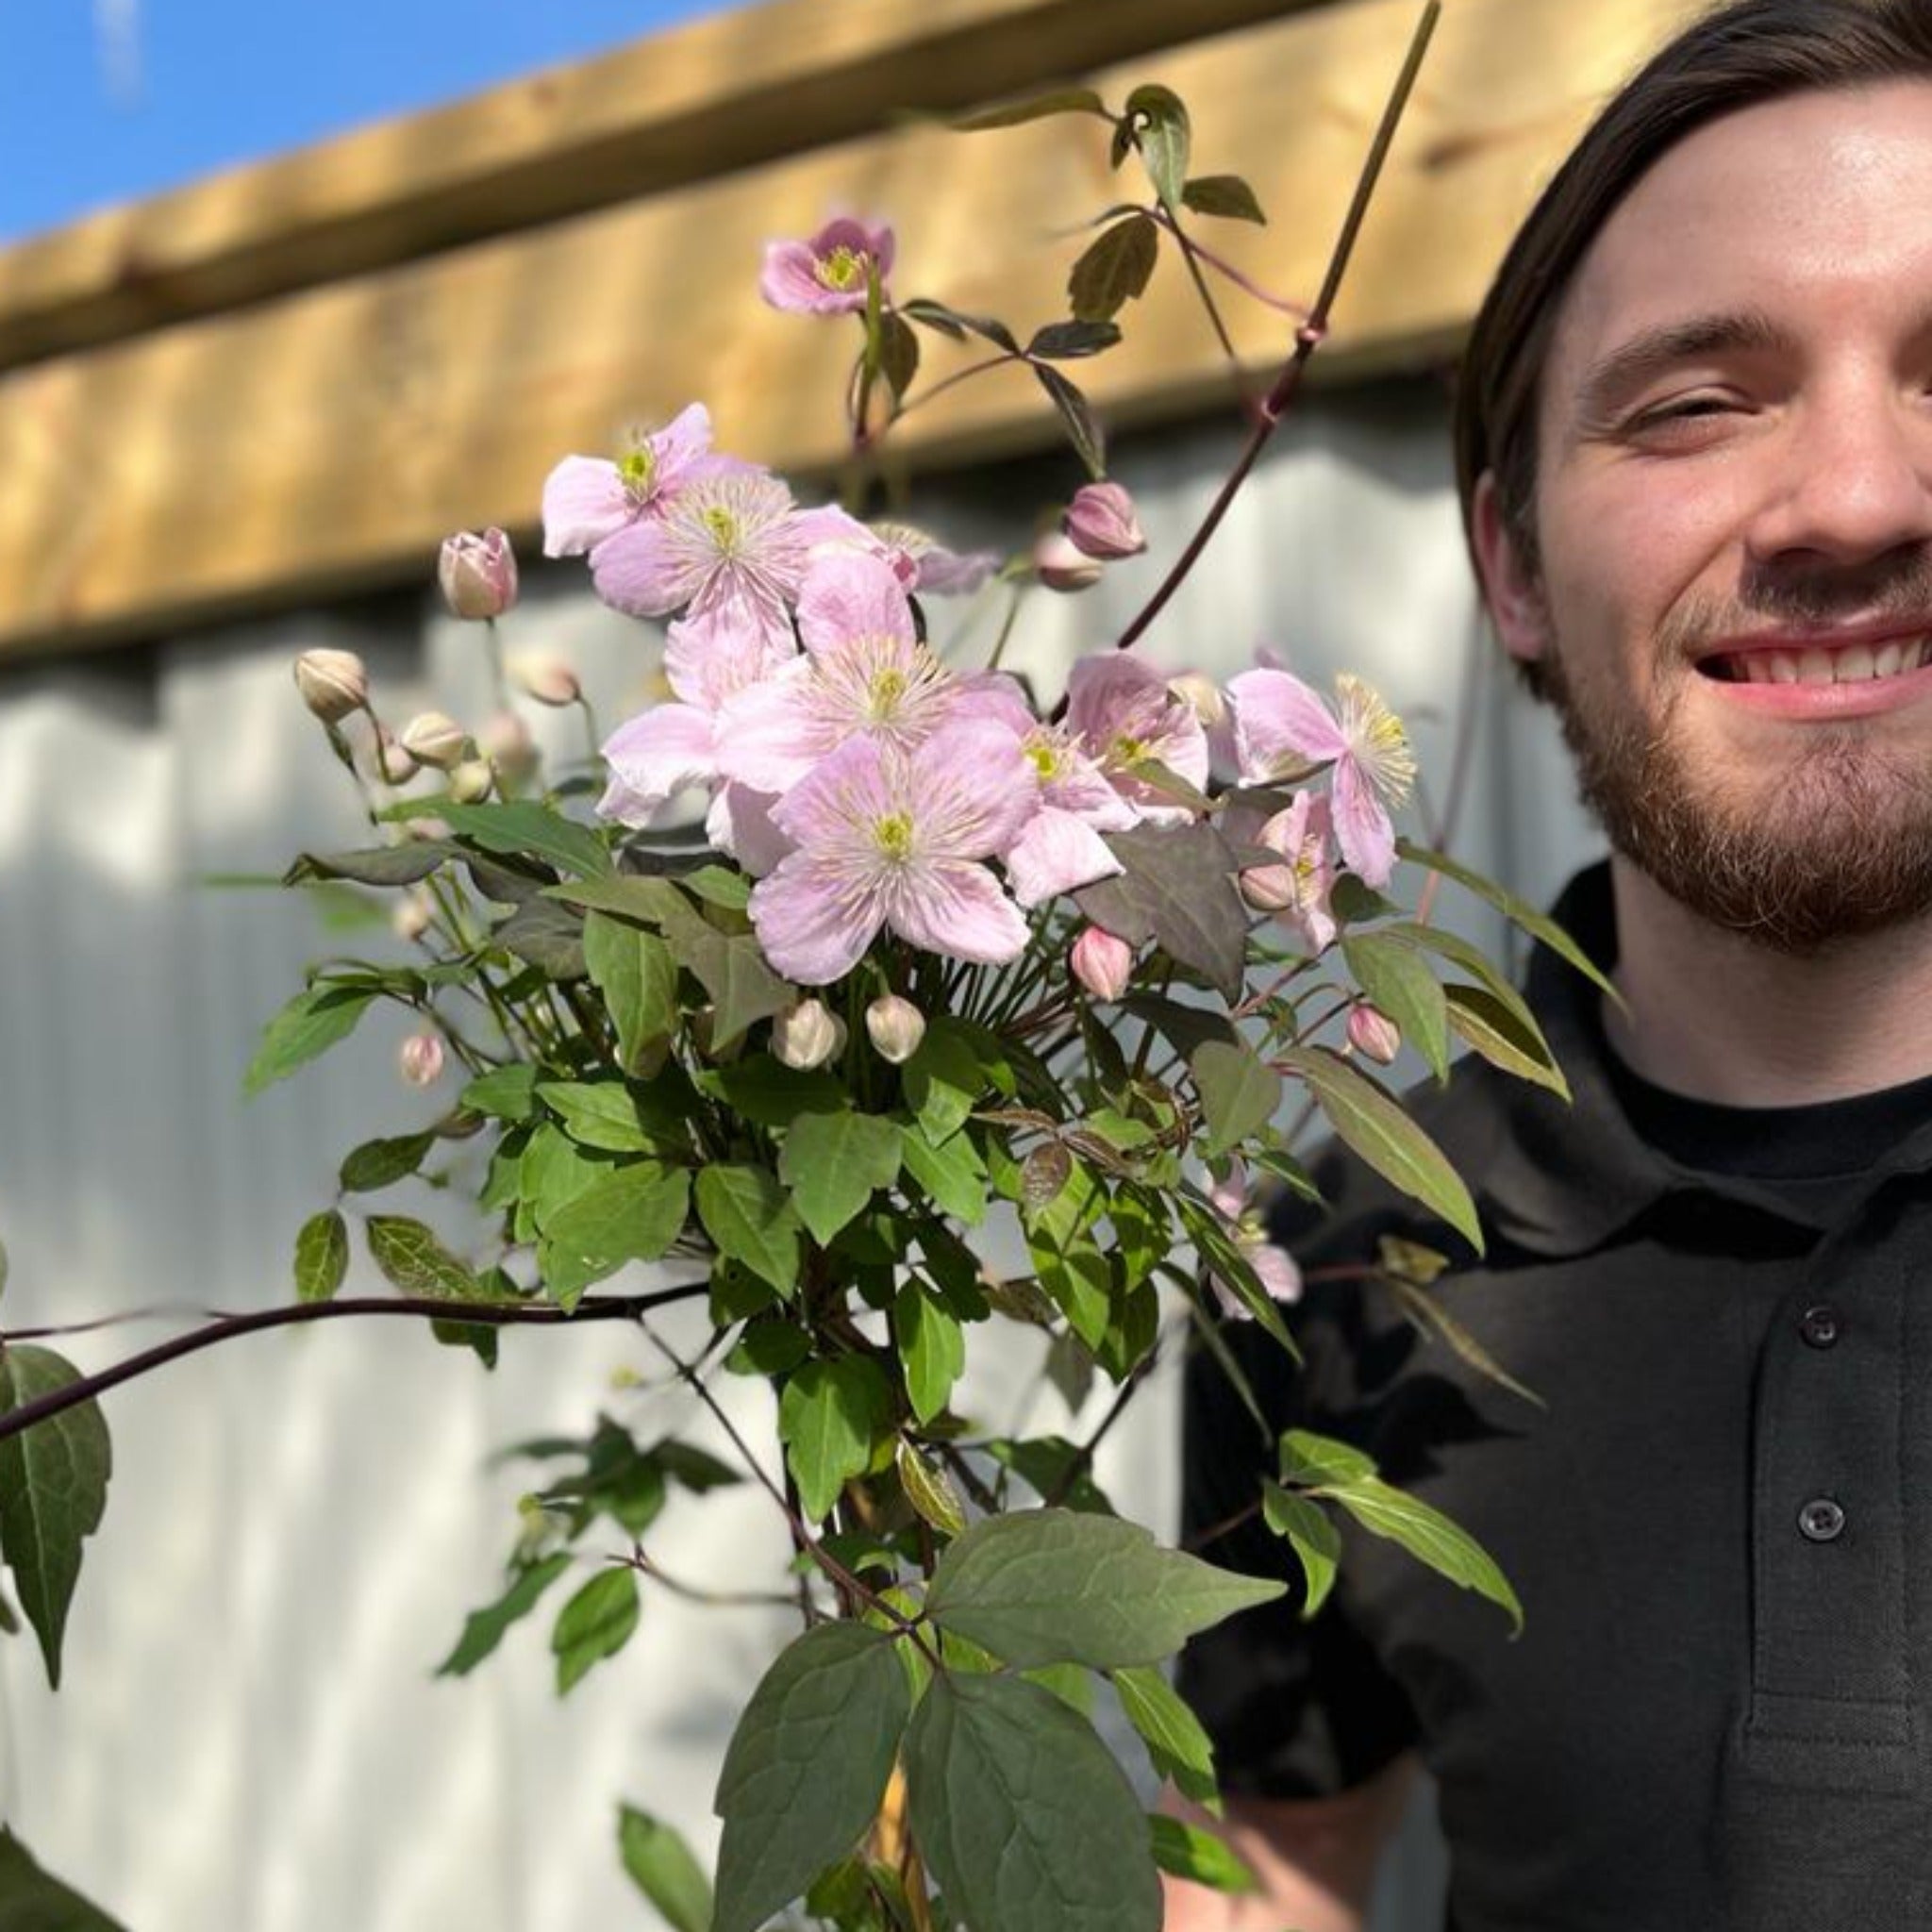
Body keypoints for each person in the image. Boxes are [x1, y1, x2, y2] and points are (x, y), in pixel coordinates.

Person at [1163, 2, 1932, 1927]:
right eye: (1691, 403)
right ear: (1508, 562)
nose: (1853, 499)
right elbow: (1274, 1862)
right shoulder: (1328, 1259)